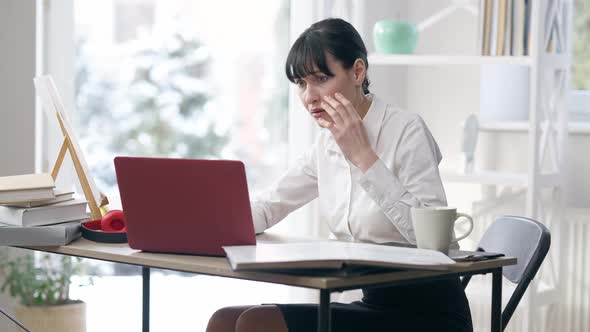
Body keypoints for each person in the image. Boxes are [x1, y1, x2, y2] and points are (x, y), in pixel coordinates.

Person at [206, 18, 473, 332]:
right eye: (302, 84)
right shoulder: (326, 144)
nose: (309, 96)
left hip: (429, 315)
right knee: (224, 320)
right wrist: (201, 229)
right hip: (373, 305)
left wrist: (364, 157)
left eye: (320, 78)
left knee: (255, 324)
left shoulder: (405, 129)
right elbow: (270, 205)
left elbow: (434, 242)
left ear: (358, 72)